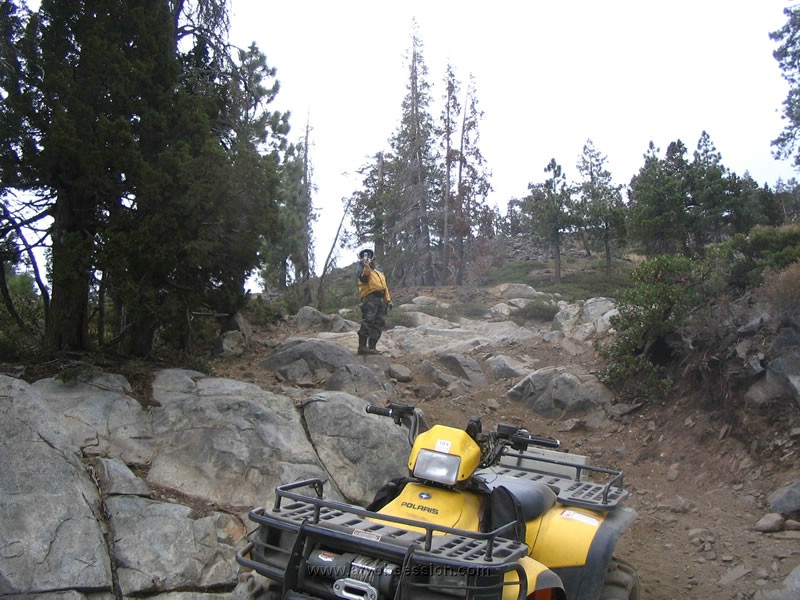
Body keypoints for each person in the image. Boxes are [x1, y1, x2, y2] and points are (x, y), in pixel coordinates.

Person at [356, 248, 392, 355]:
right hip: (369, 298)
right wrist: (366, 266)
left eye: (369, 255)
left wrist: (388, 300)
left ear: (372, 257)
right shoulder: (361, 267)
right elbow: (364, 279)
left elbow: (384, 286)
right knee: (368, 321)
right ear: (361, 257)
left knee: (379, 323)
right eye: (364, 256)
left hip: (381, 299)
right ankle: (362, 346)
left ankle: (372, 347)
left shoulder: (378, 271)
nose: (367, 257)